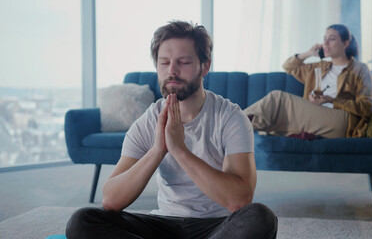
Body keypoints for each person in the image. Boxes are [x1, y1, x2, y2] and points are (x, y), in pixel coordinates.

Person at [66, 21, 277, 239]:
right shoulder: (148, 122)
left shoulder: (231, 118)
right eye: (164, 62)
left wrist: (179, 150)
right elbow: (111, 199)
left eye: (183, 62)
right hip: (162, 224)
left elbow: (240, 200)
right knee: (82, 221)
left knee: (261, 218)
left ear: (205, 66)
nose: (172, 71)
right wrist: (158, 149)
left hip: (216, 228)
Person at [244, 24, 372, 139]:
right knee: (269, 121)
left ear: (345, 43)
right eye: (324, 39)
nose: (325, 43)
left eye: (332, 39)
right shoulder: (319, 67)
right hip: (316, 115)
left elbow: (368, 107)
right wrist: (308, 53)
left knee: (277, 98)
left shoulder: (360, 69)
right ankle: (237, 131)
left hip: (342, 120)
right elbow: (289, 66)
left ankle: (233, 124)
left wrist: (330, 100)